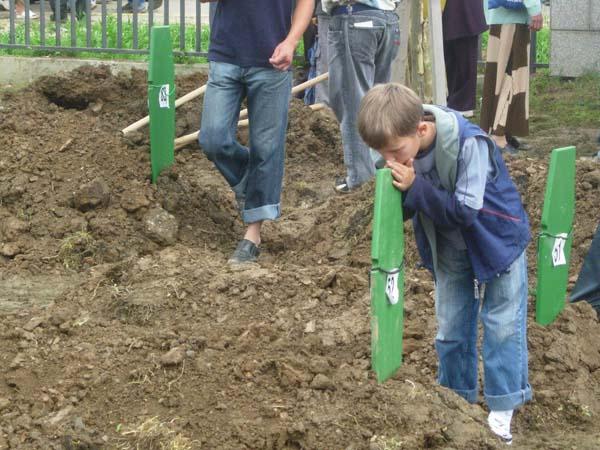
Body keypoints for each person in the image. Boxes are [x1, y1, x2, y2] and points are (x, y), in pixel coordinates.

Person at [357, 83, 532, 445]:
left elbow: (466, 211)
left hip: (498, 241)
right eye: (380, 153)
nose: (388, 160)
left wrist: (415, 188)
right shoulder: (400, 151)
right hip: (450, 248)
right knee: (451, 328)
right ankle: (455, 402)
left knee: (502, 325)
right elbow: (406, 205)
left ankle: (502, 409)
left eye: (393, 151)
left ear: (421, 129)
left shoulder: (469, 143)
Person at [198, 0, 315, 264]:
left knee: (266, 148)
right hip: (226, 54)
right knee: (212, 138)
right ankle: (253, 188)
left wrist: (291, 41)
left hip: (273, 61)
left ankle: (253, 235)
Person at [322, 0, 400, 193]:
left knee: (353, 102)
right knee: (379, 102)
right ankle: (380, 166)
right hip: (388, 19)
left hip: (354, 16)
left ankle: (361, 180)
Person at [479, 0, 543, 153]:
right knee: (511, 78)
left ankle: (502, 131)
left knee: (499, 79)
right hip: (512, 19)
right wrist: (534, 8)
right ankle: (498, 135)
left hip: (504, 18)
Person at [442, 0, 487, 117]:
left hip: (465, 10)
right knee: (451, 58)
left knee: (464, 59)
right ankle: (455, 101)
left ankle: (463, 104)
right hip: (448, 10)